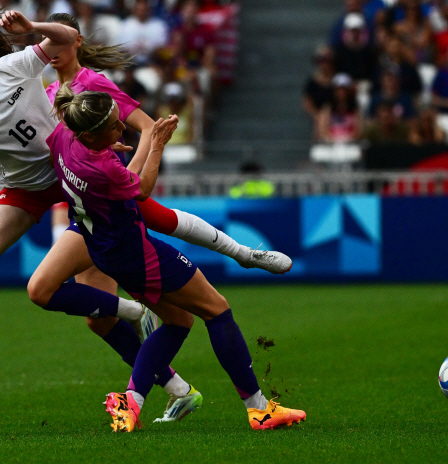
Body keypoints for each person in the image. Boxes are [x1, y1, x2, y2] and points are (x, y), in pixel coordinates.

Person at [0, 7, 290, 421]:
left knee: (146, 219)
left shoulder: (80, 81)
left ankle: (242, 255)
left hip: (74, 180)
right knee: (71, 303)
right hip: (38, 185)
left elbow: (136, 124)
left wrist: (138, 144)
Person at [45, 85, 307, 432]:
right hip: (137, 253)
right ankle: (259, 409)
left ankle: (131, 404)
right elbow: (142, 188)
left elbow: (118, 170)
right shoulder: (103, 167)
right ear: (91, 135)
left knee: (179, 321)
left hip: (103, 247)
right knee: (217, 309)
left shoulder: (64, 137)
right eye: (113, 127)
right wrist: (156, 145)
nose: (121, 129)